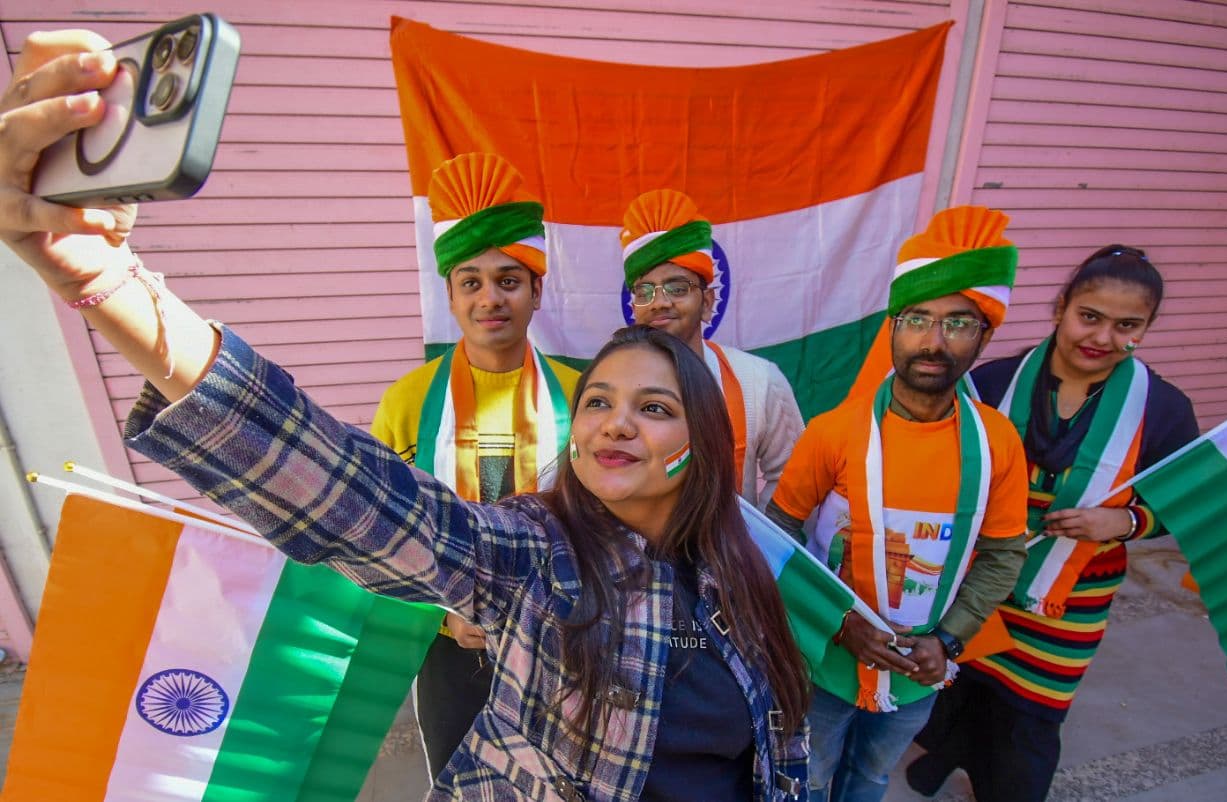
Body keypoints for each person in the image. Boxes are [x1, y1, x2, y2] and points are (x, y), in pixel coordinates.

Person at [0, 31, 812, 801]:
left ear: (700, 446)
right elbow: (349, 492)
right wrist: (104, 282)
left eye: (654, 407)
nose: (611, 422)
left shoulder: (742, 573)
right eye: (599, 401)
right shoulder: (541, 556)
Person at [906, 245, 1199, 802]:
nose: (1103, 338)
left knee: (1031, 719)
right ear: (1061, 306)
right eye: (1090, 316)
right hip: (975, 585)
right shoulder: (990, 384)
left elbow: (1183, 502)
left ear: (1146, 328)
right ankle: (947, 763)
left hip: (1065, 604)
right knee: (961, 690)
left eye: (1127, 325)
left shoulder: (1162, 408)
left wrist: (1125, 521)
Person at [766, 206, 1031, 802]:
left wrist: (949, 642)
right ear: (892, 329)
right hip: (826, 666)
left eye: (958, 324)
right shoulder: (835, 432)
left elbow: (1001, 555)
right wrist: (838, 624)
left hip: (919, 674)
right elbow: (776, 538)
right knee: (807, 778)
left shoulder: (997, 444)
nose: (933, 342)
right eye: (917, 319)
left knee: (870, 778)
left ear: (984, 335)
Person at [368, 152, 579, 778]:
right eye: (472, 282)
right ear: (451, 296)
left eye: (509, 280)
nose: (491, 298)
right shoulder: (407, 402)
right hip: (448, 646)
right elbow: (383, 530)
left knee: (562, 779)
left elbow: (611, 522)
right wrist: (439, 613)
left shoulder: (584, 395)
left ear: (537, 291)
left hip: (560, 640)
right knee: (460, 784)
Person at [620, 189, 804, 508]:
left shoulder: (758, 382)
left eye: (677, 288)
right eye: (645, 291)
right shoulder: (610, 385)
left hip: (729, 554)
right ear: (634, 306)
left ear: (707, 303)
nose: (661, 302)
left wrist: (757, 548)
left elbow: (793, 478)